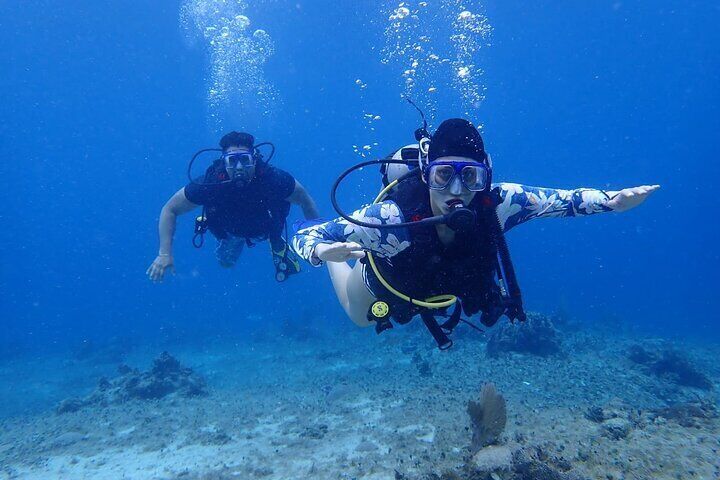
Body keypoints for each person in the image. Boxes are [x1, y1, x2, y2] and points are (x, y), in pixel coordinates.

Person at [292, 118, 659, 348]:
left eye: (469, 176)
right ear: (426, 175)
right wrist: (322, 252)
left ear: (485, 177)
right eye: (442, 175)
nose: (456, 191)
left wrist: (612, 201)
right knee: (357, 317)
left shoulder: (500, 203)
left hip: (440, 285)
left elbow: (562, 200)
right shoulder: (390, 219)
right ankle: (340, 263)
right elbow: (304, 240)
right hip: (386, 282)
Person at [147, 131, 319, 283]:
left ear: (254, 158)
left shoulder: (274, 179)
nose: (239, 167)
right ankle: (250, 242)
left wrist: (316, 241)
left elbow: (305, 200)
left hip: (267, 229)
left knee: (271, 238)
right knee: (225, 263)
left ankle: (276, 243)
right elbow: (169, 209)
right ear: (224, 162)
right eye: (232, 161)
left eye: (244, 160)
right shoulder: (210, 183)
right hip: (230, 233)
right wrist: (164, 253)